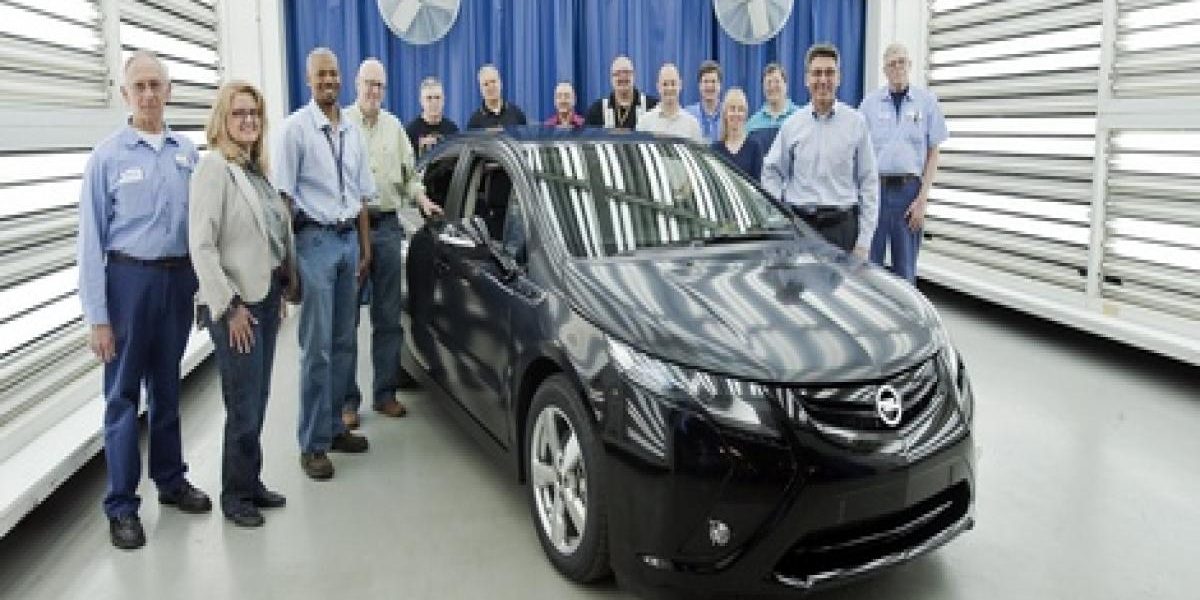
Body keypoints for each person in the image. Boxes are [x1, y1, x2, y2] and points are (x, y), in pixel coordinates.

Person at [77, 50, 211, 550]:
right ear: (125, 94)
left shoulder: (187, 154)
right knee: (122, 396)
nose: (149, 94)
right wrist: (98, 317)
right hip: (127, 283)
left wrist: (203, 290)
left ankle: (171, 480)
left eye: (157, 85)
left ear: (169, 91)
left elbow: (201, 230)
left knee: (168, 388)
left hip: (177, 282)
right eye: (140, 86)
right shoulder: (107, 158)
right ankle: (121, 506)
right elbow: (89, 242)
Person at [189, 81, 295, 527]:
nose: (248, 120)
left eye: (254, 113)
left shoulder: (253, 168)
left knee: (259, 397)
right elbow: (201, 246)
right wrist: (229, 307)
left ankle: (250, 482)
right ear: (222, 120)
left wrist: (277, 287)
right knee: (243, 404)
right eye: (239, 113)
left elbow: (268, 234)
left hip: (263, 299)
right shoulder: (213, 168)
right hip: (236, 308)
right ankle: (235, 495)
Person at [274, 47, 373, 481]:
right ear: (308, 80)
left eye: (334, 73)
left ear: (341, 78)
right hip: (313, 242)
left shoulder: (352, 131)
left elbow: (362, 195)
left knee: (345, 343)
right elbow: (283, 201)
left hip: (348, 241)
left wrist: (365, 249)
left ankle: (334, 427)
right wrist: (288, 265)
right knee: (316, 349)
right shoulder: (294, 130)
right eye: (321, 75)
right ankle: (312, 444)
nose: (329, 80)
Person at [342, 58, 443, 429]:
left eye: (379, 85)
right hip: (348, 231)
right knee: (346, 320)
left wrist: (422, 199)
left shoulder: (394, 127)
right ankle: (347, 403)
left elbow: (410, 176)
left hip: (385, 228)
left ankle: (384, 393)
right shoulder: (341, 125)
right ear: (357, 84)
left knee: (387, 318)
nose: (373, 91)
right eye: (368, 83)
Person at [762, 43, 878, 257]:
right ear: (807, 79)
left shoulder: (856, 123)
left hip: (842, 230)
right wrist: (779, 218)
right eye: (816, 73)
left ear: (839, 78)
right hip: (801, 228)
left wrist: (864, 242)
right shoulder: (792, 125)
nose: (823, 80)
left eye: (829, 73)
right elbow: (771, 172)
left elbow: (869, 182)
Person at [861, 42, 948, 282]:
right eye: (892, 64)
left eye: (902, 62)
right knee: (870, 268)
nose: (897, 67)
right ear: (884, 70)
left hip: (909, 193)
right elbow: (859, 152)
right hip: (876, 192)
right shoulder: (869, 105)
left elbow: (933, 152)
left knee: (905, 270)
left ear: (909, 65)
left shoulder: (927, 102)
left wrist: (922, 199)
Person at [584, 55, 657, 130]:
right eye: (617, 73)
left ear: (634, 76)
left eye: (627, 72)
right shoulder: (596, 111)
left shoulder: (652, 107)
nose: (622, 77)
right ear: (611, 79)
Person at [636, 63, 704, 142]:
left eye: (673, 83)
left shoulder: (692, 125)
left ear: (680, 85)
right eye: (665, 84)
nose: (669, 88)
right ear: (658, 87)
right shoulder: (644, 123)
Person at [711, 88, 763, 180]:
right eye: (732, 109)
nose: (736, 113)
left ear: (745, 114)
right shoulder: (715, 149)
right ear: (725, 114)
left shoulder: (754, 147)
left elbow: (758, 184)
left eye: (740, 109)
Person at [746, 62, 799, 148]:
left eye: (777, 81)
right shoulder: (752, 124)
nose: (772, 86)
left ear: (786, 85)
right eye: (768, 83)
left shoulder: (799, 117)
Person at [406, 76, 458, 158]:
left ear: (443, 100)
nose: (434, 102)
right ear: (421, 101)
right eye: (429, 98)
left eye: (437, 97)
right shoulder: (410, 132)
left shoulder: (452, 130)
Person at [467, 64, 528, 129]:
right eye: (486, 84)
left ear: (500, 83)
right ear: (481, 89)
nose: (491, 87)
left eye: (493, 81)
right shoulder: (474, 122)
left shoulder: (517, 114)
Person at [684, 59, 723, 142]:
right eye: (705, 82)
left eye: (713, 81)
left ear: (720, 85)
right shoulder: (688, 114)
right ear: (699, 85)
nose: (709, 86)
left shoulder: (728, 114)